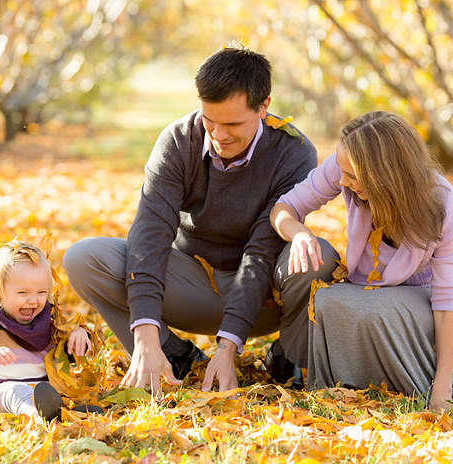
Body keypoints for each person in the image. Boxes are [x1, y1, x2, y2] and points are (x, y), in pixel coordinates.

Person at [64, 44, 338, 396]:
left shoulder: (293, 151)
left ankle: (287, 358)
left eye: (233, 124)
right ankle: (173, 355)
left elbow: (262, 249)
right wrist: (144, 334)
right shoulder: (178, 141)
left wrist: (227, 349)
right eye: (210, 120)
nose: (219, 135)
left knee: (322, 258)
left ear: (264, 106)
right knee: (83, 258)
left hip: (263, 295)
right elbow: (150, 234)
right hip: (188, 283)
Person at [270, 111, 453, 410]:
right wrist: (298, 232)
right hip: (373, 293)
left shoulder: (443, 201)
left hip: (438, 304)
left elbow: (447, 301)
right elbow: (283, 208)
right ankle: (342, 378)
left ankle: (420, 380)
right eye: (342, 173)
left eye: (352, 176)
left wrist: (442, 391)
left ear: (385, 175)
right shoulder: (344, 167)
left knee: (375, 311)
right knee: (328, 301)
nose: (342, 181)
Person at [0, 240, 100, 422]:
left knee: (56, 391)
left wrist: (78, 335)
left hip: (43, 389)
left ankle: (64, 412)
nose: (33, 301)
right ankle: (38, 415)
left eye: (41, 292)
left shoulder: (49, 321)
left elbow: (67, 353)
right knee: (14, 393)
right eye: (23, 293)